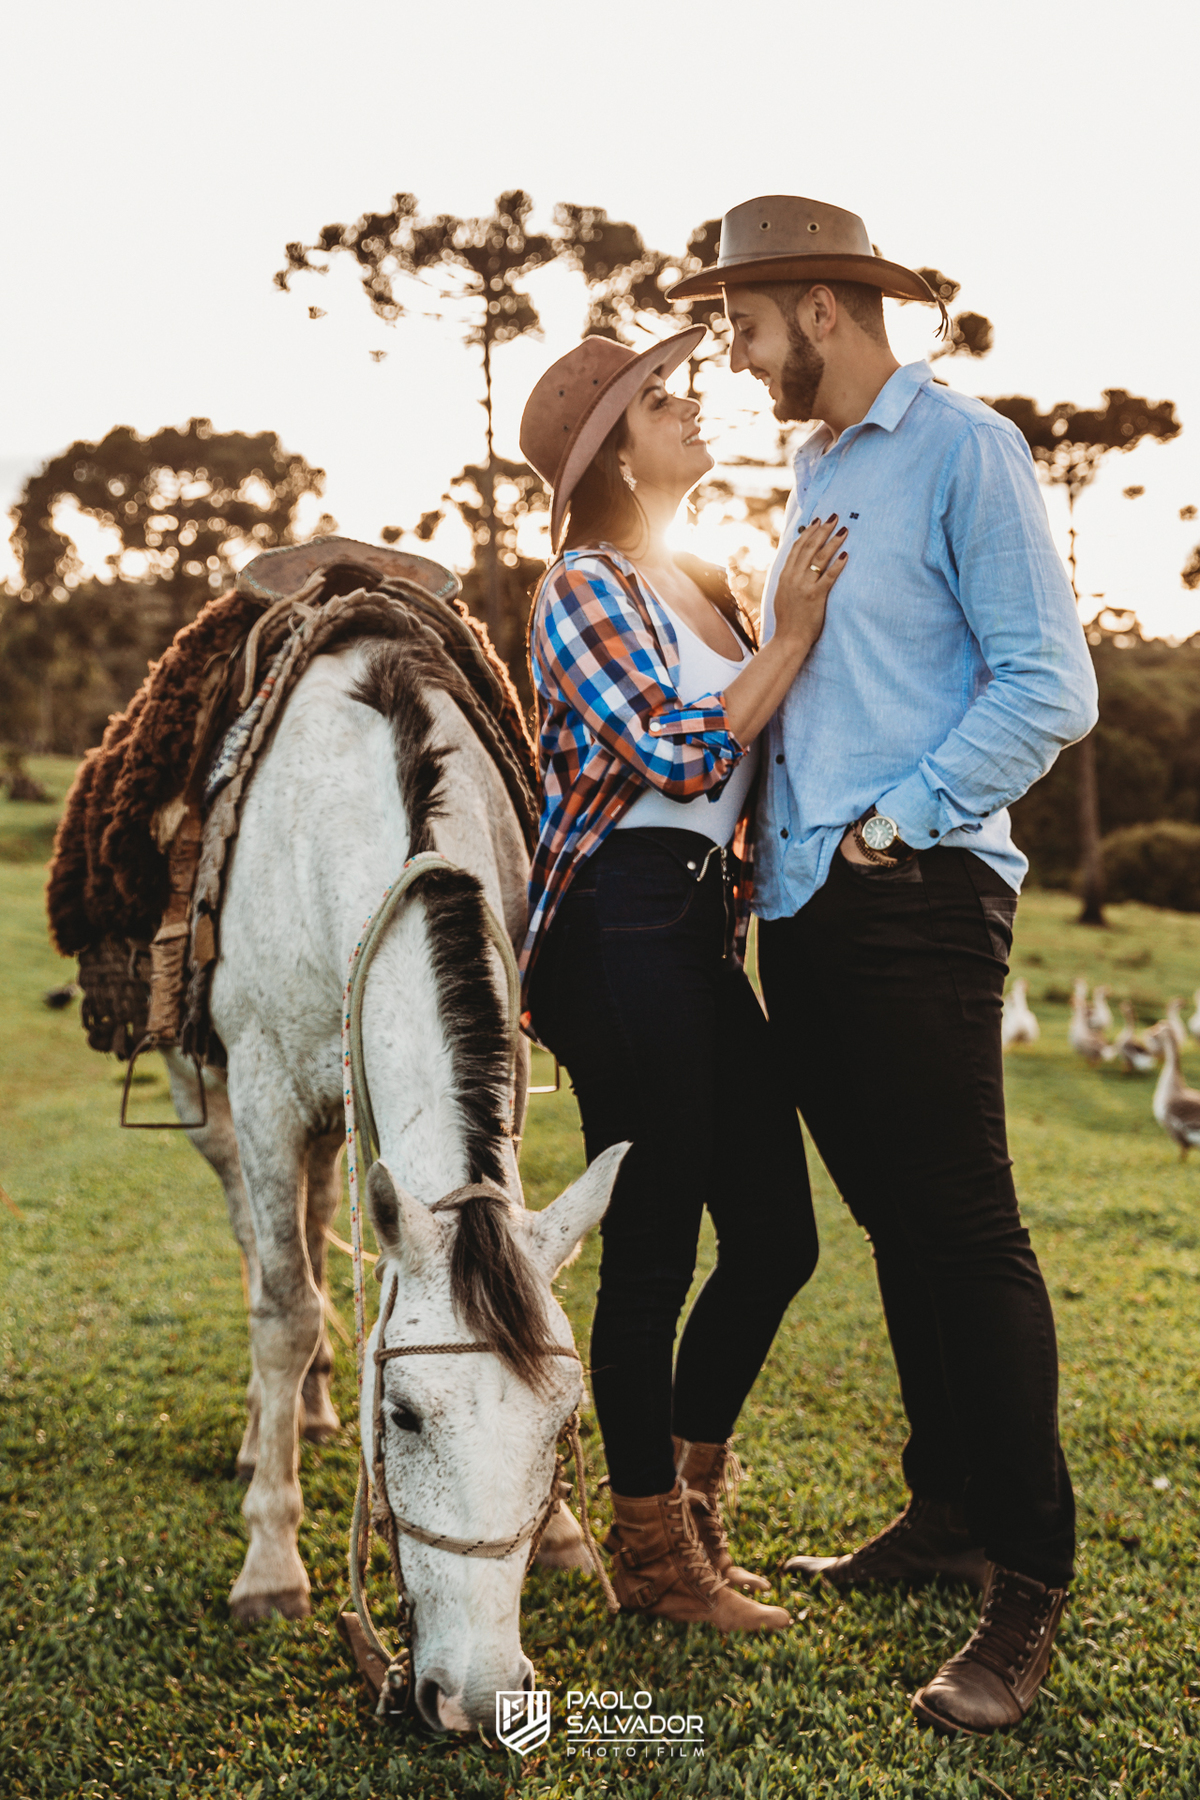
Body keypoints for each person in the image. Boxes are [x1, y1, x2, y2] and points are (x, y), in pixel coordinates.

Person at [668, 196, 1098, 1732]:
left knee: (966, 1232)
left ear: (823, 310)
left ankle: (1027, 1590)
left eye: (744, 319)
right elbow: (823, 685)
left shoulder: (962, 449)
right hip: (804, 908)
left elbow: (1054, 683)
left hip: (911, 894)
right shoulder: (814, 469)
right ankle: (946, 1513)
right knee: (898, 1230)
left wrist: (892, 828)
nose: (731, 346)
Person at [518, 328, 843, 1632]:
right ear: (611, 454)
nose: (690, 400)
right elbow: (679, 750)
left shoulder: (711, 582)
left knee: (776, 1238)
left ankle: (692, 1507)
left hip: (704, 931)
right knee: (653, 1251)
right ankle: (652, 1559)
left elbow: (775, 746)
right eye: (661, 397)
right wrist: (800, 630)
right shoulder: (584, 587)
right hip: (619, 925)